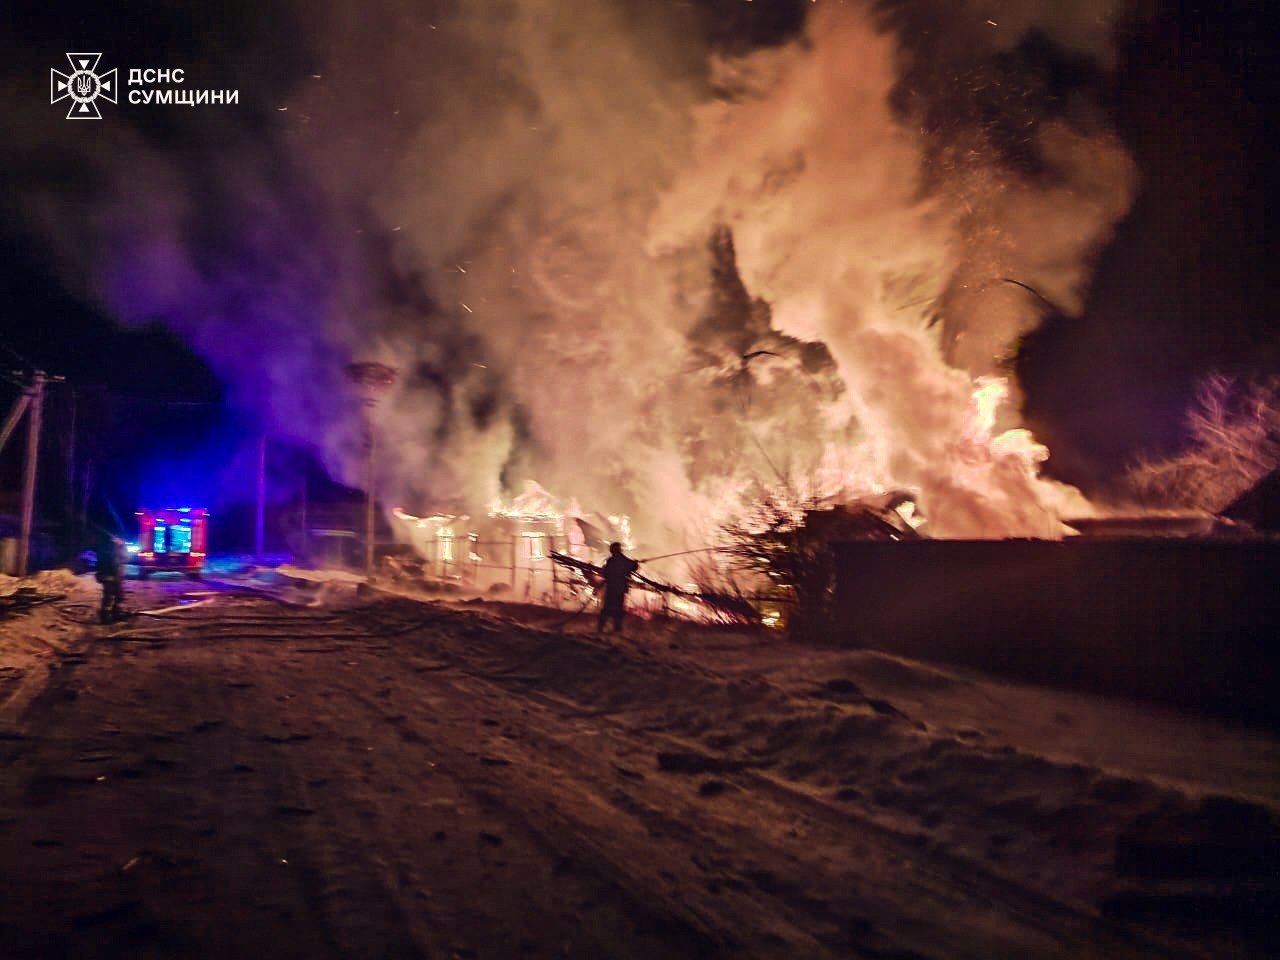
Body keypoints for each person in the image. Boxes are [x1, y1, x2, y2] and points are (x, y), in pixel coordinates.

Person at [597, 541, 639, 634]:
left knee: (607, 609)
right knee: (618, 609)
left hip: (611, 589)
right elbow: (634, 566)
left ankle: (601, 628)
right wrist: (635, 562)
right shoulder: (624, 560)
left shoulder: (610, 561)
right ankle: (616, 628)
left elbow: (605, 574)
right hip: (619, 589)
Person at [95, 531, 127, 624]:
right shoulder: (109, 549)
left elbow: (123, 559)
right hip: (110, 577)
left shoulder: (117, 548)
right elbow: (110, 563)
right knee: (109, 597)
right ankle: (106, 616)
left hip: (116, 577)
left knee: (119, 596)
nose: (121, 541)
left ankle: (116, 613)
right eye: (120, 540)